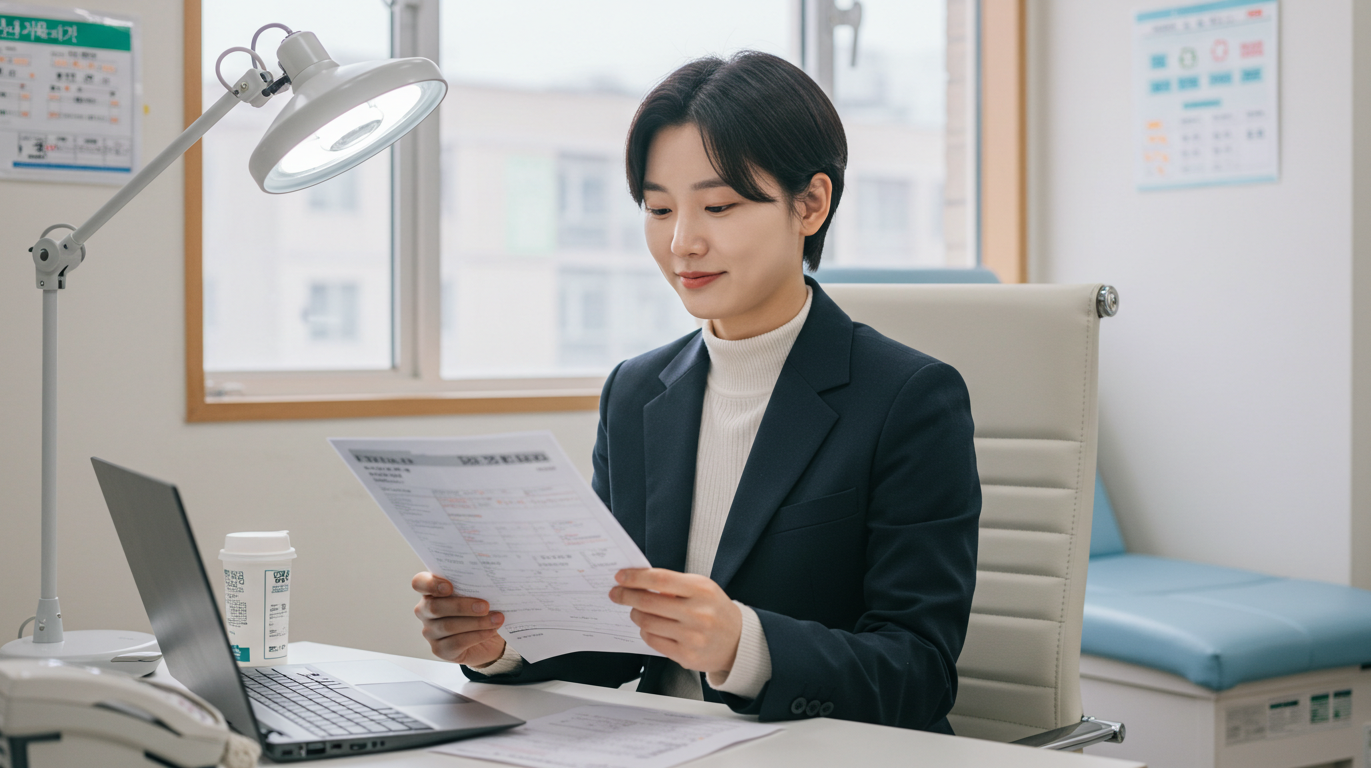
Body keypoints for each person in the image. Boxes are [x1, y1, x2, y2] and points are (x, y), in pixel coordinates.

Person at [411, 50, 980, 733]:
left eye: (718, 205)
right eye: (658, 209)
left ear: (811, 203)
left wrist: (745, 646)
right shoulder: (636, 391)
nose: (682, 242)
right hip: (657, 745)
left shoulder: (909, 399)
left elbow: (918, 673)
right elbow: (605, 644)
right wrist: (500, 650)